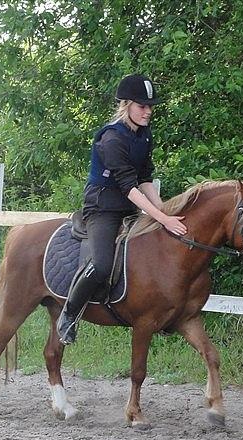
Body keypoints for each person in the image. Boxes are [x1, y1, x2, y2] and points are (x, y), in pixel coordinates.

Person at [56, 74, 187, 345]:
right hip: (102, 208)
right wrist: (161, 218)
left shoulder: (144, 135)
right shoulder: (112, 138)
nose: (148, 111)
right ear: (126, 104)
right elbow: (128, 186)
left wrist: (164, 212)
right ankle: (69, 315)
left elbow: (145, 178)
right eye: (142, 106)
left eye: (150, 106)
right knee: (102, 265)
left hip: (130, 206)